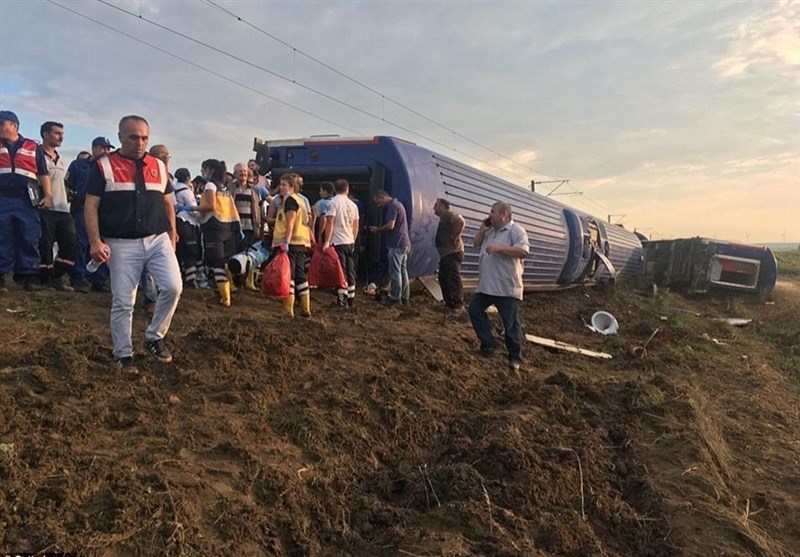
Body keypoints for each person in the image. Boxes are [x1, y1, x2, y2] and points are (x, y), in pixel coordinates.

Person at [84, 115, 182, 374]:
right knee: (124, 301)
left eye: (144, 138)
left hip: (157, 238)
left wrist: (172, 235)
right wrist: (95, 240)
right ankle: (123, 354)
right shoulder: (103, 166)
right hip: (121, 243)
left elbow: (168, 203)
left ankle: (154, 336)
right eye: (133, 137)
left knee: (173, 287)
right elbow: (90, 205)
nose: (140, 143)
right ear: (119, 137)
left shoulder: (159, 167)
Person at [468, 201, 530, 372]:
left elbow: (523, 252)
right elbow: (475, 244)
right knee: (474, 310)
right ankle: (488, 344)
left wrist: (500, 248)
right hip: (486, 285)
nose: (490, 215)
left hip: (506, 286)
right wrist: (482, 230)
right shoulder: (490, 231)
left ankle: (515, 357)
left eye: (493, 212)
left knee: (510, 324)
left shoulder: (516, 230)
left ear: (504, 215)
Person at [0, 110, 53, 293]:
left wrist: (47, 195)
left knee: (28, 236)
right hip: (2, 198)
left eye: (2, 124)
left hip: (26, 200)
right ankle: (2, 277)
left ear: (14, 126)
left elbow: (43, 174)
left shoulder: (32, 147)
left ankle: (29, 275)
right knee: (2, 237)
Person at [66, 137, 114, 293]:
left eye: (108, 149)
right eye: (103, 148)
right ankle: (79, 277)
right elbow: (67, 185)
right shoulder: (79, 165)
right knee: (82, 243)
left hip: (104, 212)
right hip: (81, 209)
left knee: (103, 245)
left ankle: (98, 280)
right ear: (94, 148)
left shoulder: (109, 167)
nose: (106, 151)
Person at [38, 121, 78, 291]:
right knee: (45, 245)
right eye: (56, 133)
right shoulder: (36, 156)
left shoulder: (61, 160)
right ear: (45, 134)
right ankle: (44, 281)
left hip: (63, 209)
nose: (61, 136)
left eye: (62, 133)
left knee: (71, 244)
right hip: (46, 209)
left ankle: (58, 276)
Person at [195, 158, 240, 306]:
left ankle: (224, 297)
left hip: (214, 227)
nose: (202, 173)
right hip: (227, 227)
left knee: (216, 263)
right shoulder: (225, 188)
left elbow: (210, 206)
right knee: (223, 261)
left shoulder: (210, 185)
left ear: (210, 170)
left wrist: (191, 208)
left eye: (204, 170)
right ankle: (228, 289)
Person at [272, 175, 313, 317]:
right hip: (302, 243)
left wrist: (286, 242)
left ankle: (288, 309)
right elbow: (307, 221)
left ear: (292, 187)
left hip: (292, 243)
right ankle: (305, 307)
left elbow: (290, 221)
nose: (280, 187)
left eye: (284, 184)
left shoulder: (290, 200)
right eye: (280, 184)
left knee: (289, 275)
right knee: (301, 275)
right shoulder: (301, 200)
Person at [369, 190, 410, 304]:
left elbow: (390, 225)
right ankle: (404, 297)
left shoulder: (392, 206)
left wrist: (378, 230)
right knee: (403, 271)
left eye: (378, 202)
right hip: (404, 243)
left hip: (396, 243)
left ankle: (395, 298)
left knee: (395, 271)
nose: (378, 205)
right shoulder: (399, 205)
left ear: (382, 197)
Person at [323, 179, 359, 307]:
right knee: (350, 270)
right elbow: (356, 225)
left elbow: (330, 222)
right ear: (347, 189)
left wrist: (327, 241)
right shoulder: (353, 205)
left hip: (338, 241)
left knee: (341, 271)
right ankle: (351, 299)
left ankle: (342, 299)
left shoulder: (333, 203)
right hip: (349, 241)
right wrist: (353, 240)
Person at [433, 198, 465, 311]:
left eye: (436, 205)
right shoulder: (443, 218)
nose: (434, 208)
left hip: (453, 252)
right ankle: (449, 303)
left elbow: (460, 221)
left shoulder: (448, 214)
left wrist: (455, 236)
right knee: (443, 277)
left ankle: (458, 304)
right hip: (446, 254)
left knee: (452, 277)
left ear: (442, 206)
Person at [172, 167, 202, 287]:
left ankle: (179, 276)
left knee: (180, 251)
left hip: (176, 222)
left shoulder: (173, 189)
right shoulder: (187, 191)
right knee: (191, 251)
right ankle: (191, 279)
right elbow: (194, 211)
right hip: (187, 223)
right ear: (188, 178)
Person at [229, 162, 261, 250]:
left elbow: (258, 209)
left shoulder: (254, 189)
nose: (242, 173)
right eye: (240, 171)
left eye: (244, 171)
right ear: (235, 174)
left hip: (250, 228)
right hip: (235, 228)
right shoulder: (230, 188)